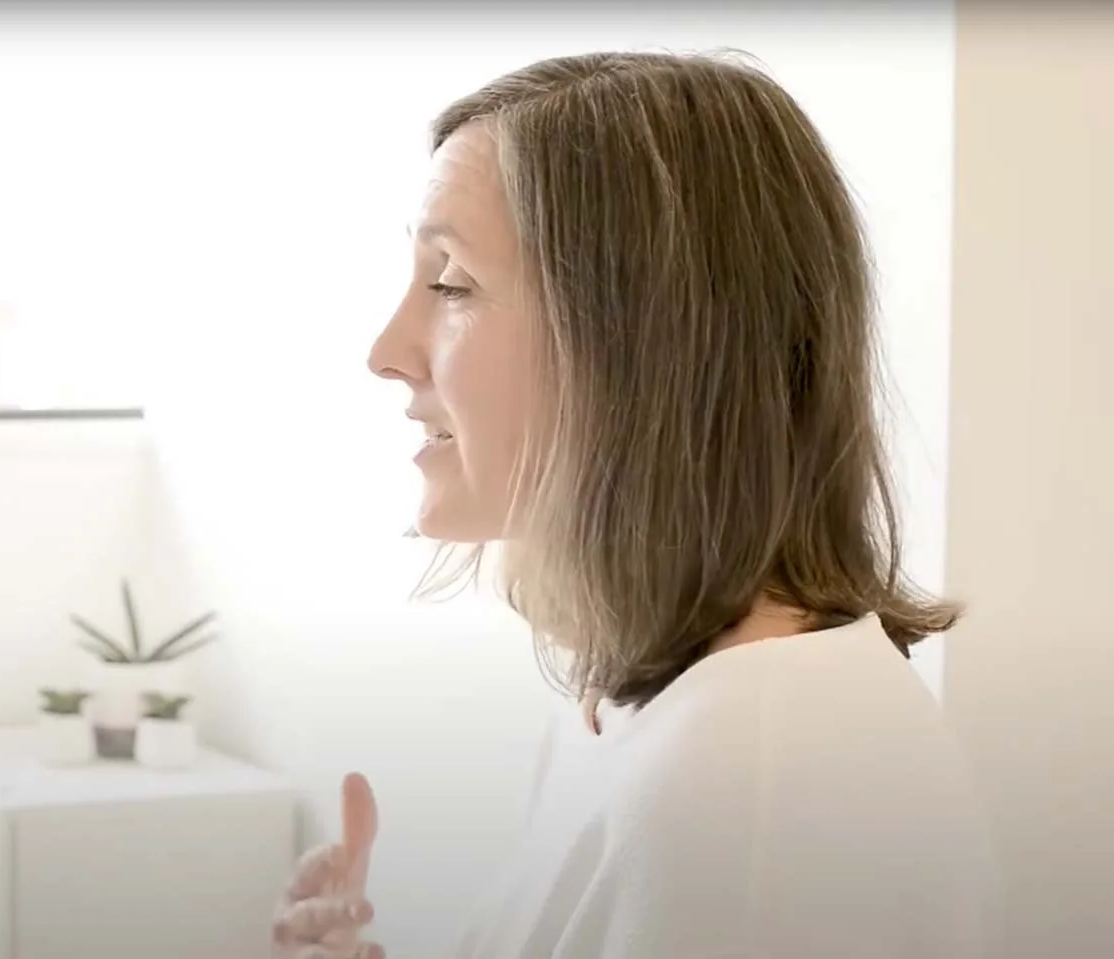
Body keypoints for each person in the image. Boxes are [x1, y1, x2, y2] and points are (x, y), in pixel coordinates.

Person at [271, 51, 1002, 958]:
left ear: (640, 343)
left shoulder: (746, 793)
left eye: (451, 283)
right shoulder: (649, 713)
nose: (387, 349)